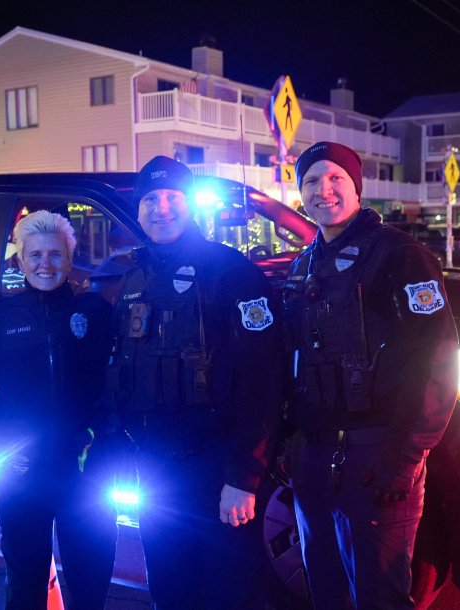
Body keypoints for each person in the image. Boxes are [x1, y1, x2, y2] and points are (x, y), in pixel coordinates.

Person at [280, 141, 459, 609]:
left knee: (380, 598)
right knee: (326, 594)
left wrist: (406, 456)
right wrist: (290, 445)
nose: (324, 190)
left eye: (336, 177)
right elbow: (288, 361)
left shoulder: (401, 256)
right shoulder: (302, 267)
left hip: (378, 460)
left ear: (357, 188)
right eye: (312, 180)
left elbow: (437, 359)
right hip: (314, 462)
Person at [109, 156, 283, 609]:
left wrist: (244, 475)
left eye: (172, 197)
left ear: (189, 206)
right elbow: (123, 373)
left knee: (228, 590)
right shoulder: (132, 278)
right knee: (168, 587)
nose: (161, 208)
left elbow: (263, 379)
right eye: (150, 199)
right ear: (138, 208)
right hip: (155, 470)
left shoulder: (231, 272)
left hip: (217, 466)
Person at [0, 210, 117, 610]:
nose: (45, 264)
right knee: (24, 583)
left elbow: (117, 385)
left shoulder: (94, 312)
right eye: (35, 255)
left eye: (55, 254)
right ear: (20, 260)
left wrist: (109, 447)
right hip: (21, 472)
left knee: (90, 584)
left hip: (85, 470)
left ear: (70, 260)